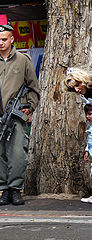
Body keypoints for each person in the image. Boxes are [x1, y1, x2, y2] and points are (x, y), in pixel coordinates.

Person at [0, 23, 40, 205]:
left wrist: (29, 107)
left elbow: (34, 87)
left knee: (17, 152)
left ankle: (15, 189)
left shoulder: (23, 60)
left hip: (16, 115)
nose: (1, 43)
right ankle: (3, 189)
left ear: (12, 40)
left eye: (4, 39)